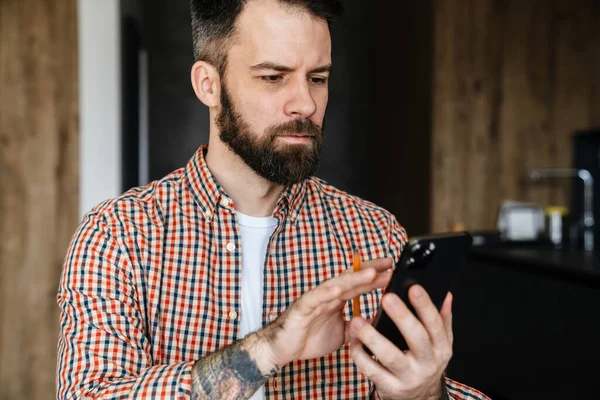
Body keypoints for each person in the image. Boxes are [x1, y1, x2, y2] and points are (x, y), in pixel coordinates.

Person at [56, 0, 490, 399]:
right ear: (208, 84)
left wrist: (425, 392)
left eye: (317, 78)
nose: (304, 103)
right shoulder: (117, 236)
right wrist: (269, 348)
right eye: (273, 77)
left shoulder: (373, 233)